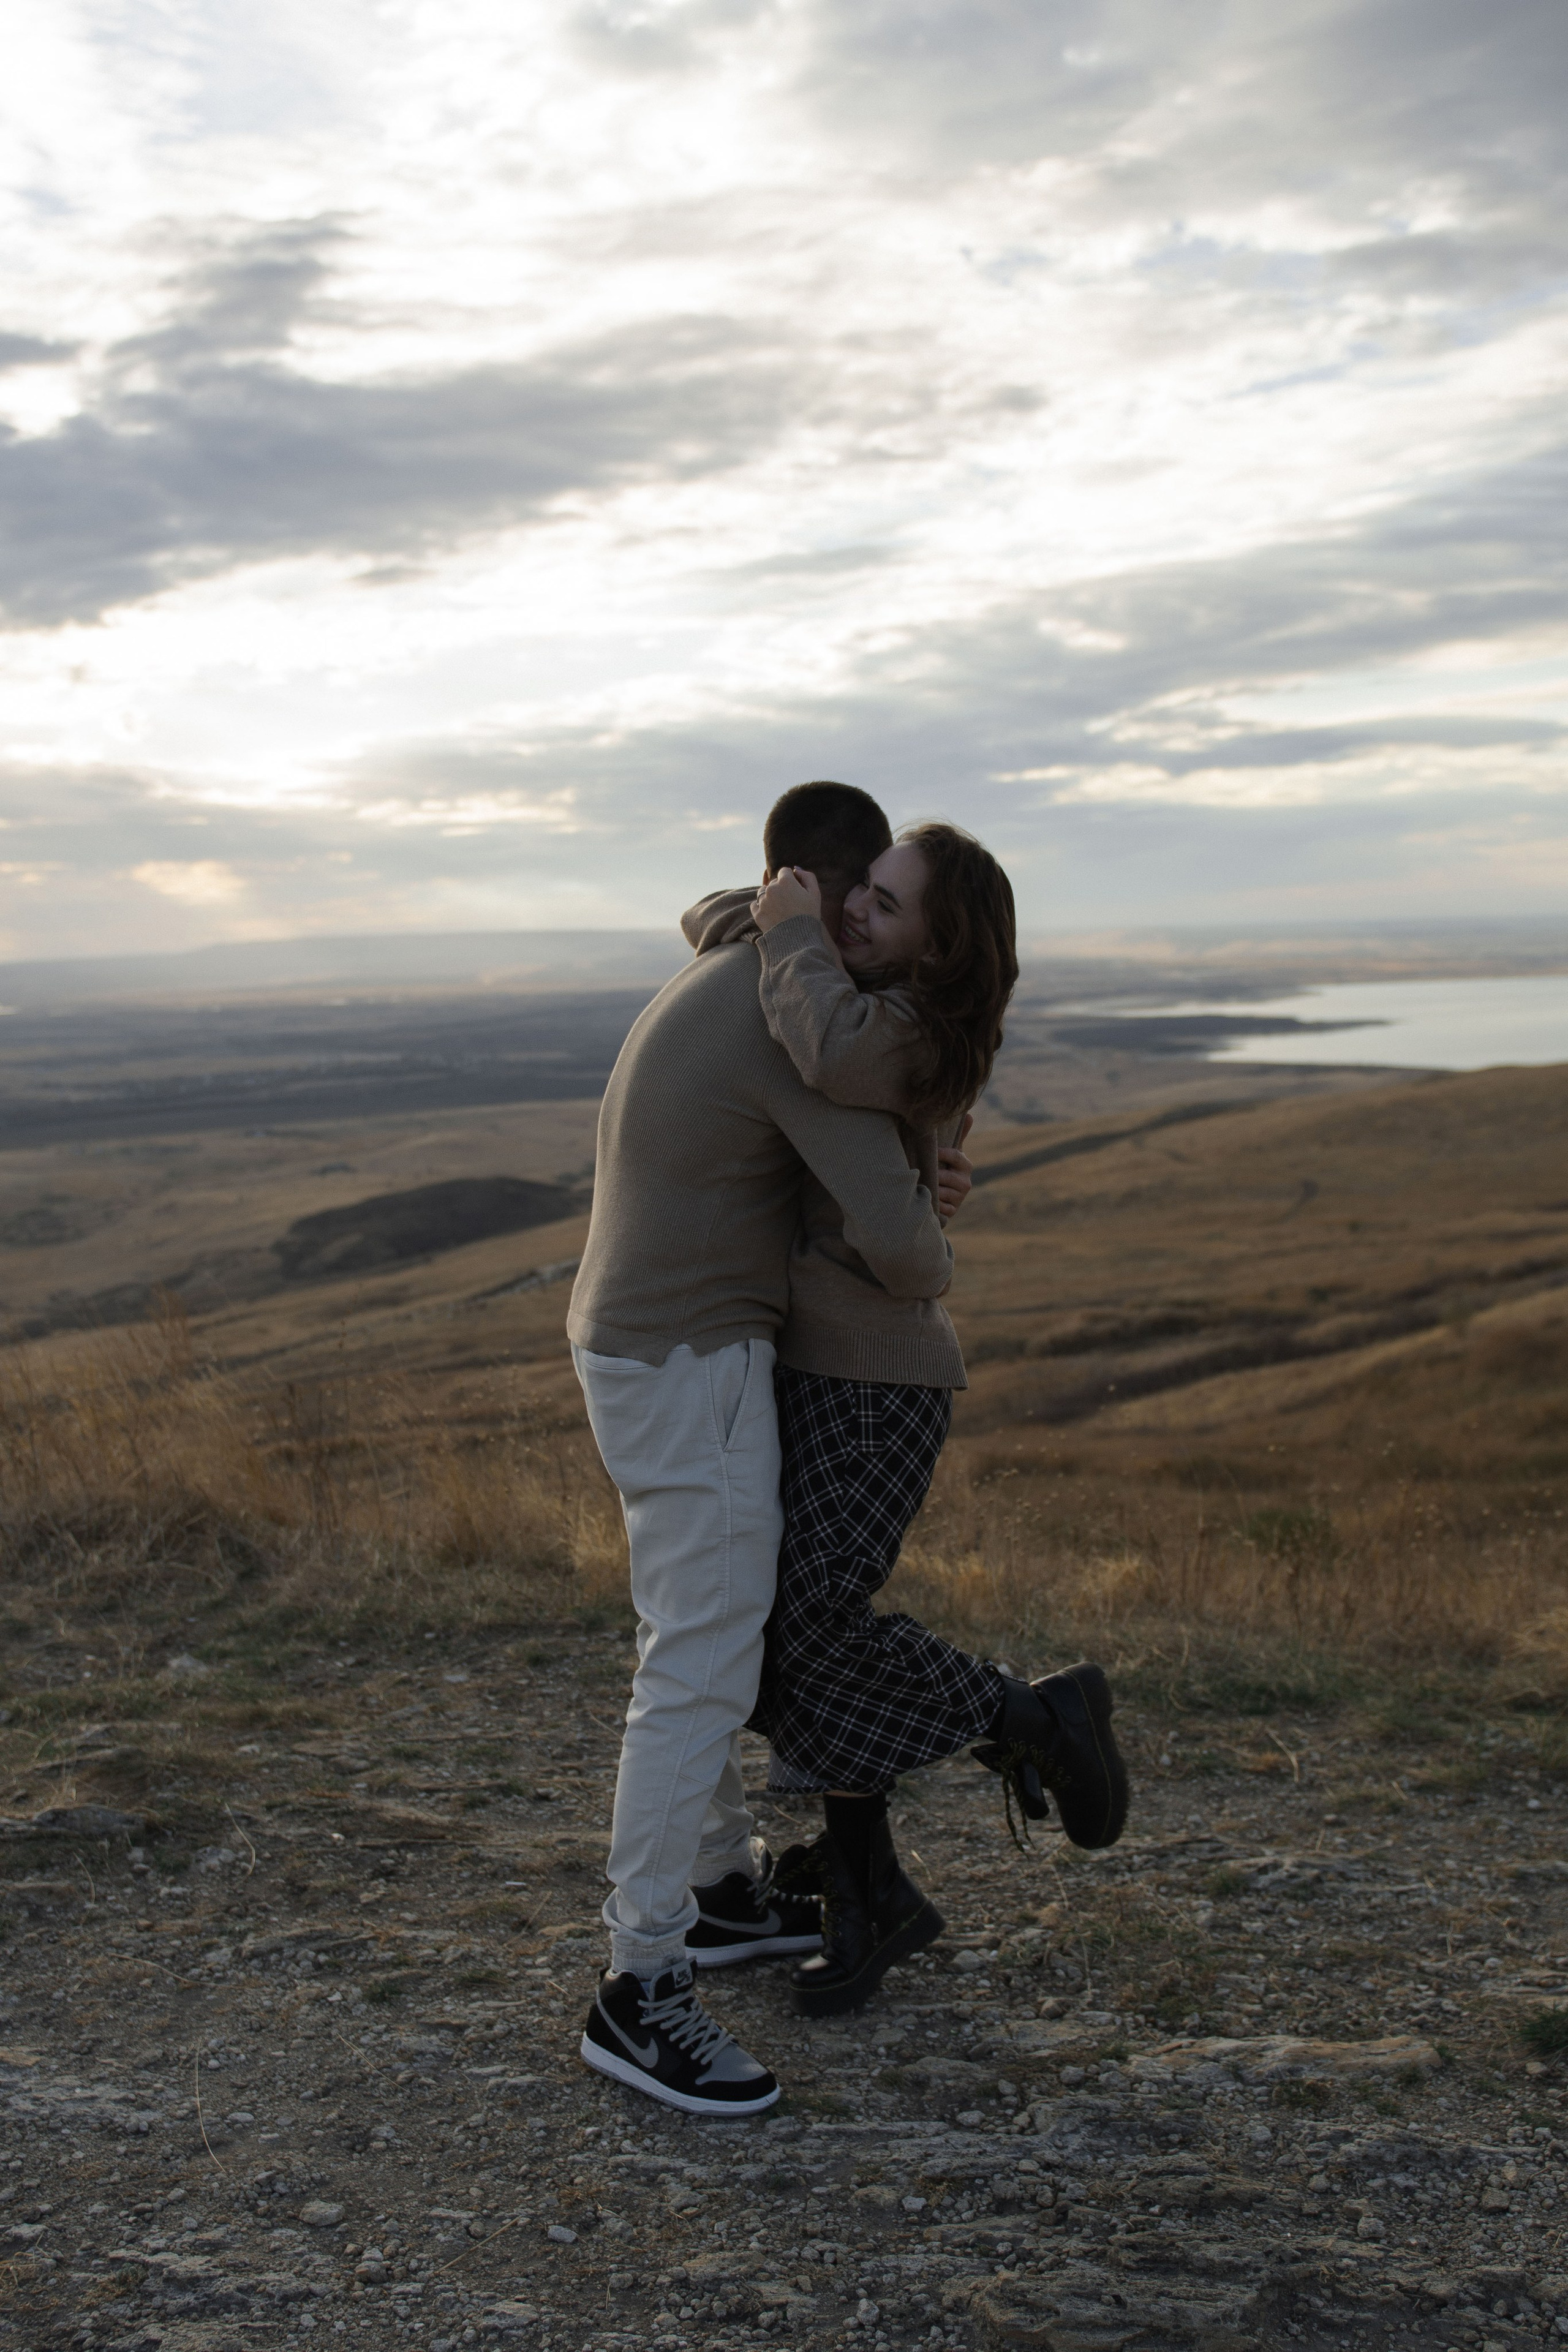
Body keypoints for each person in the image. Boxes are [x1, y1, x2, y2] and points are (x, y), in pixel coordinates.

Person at [685, 823, 1128, 2019]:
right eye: (857, 895)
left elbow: (823, 1046)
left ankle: (1029, 1715)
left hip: (879, 1385)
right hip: (819, 1367)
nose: (856, 920)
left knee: (812, 1622)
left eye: (884, 906)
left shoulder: (910, 1037)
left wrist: (786, 930)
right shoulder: (851, 989)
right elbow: (705, 927)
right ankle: (865, 1881)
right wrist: (788, 905)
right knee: (781, 1632)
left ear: (939, 946)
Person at [568, 782, 956, 2117]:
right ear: (830, 904)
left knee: (693, 1630)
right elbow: (904, 1246)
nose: (856, 933)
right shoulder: (789, 1018)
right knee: (699, 1661)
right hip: (690, 1357)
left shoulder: (731, 960)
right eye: (865, 908)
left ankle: (722, 1895)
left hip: (636, 1339)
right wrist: (914, 1185)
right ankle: (640, 1986)